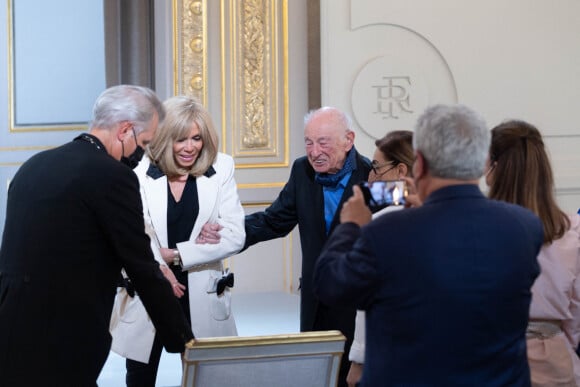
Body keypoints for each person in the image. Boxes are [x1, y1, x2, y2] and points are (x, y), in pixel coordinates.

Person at [313, 104, 544, 386]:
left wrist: (350, 225)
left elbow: (329, 283)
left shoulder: (387, 232)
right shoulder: (525, 227)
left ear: (418, 164)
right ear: (482, 161)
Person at [0, 85, 194, 386]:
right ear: (125, 130)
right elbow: (142, 266)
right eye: (143, 143)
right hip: (63, 340)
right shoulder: (113, 176)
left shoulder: (33, 166)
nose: (141, 156)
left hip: (10, 330)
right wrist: (185, 342)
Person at [111, 95, 245, 386]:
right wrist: (158, 265)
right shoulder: (139, 171)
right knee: (140, 377)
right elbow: (137, 232)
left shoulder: (222, 167)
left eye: (196, 138)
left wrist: (176, 255)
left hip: (200, 290)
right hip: (150, 289)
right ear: (165, 137)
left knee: (206, 377)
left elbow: (235, 234)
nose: (190, 147)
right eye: (180, 139)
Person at [243, 106, 371, 387]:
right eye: (309, 142)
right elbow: (274, 220)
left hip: (356, 307)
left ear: (348, 140)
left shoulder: (372, 176)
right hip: (315, 302)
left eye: (323, 142)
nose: (314, 152)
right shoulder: (302, 170)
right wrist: (229, 232)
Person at [487, 120, 580, 386]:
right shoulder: (571, 228)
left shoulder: (480, 227)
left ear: (494, 166)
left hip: (495, 353)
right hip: (554, 357)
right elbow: (576, 312)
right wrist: (556, 341)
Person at [346, 130, 414, 387]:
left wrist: (358, 362)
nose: (370, 176)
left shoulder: (381, 224)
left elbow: (368, 300)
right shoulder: (442, 217)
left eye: (376, 168)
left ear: (401, 171)